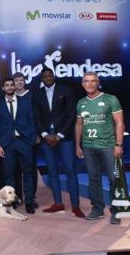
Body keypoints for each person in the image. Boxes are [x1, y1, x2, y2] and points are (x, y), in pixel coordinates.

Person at [32, 68, 83, 218]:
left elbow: (71, 114)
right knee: (52, 171)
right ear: (41, 79)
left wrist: (59, 135)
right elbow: (37, 117)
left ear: (53, 76)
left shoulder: (66, 90)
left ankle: (75, 206)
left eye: (50, 75)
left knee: (70, 170)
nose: (47, 77)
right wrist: (45, 135)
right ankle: (58, 203)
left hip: (65, 138)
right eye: (44, 76)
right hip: (46, 139)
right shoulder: (37, 94)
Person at [75, 72, 125, 224]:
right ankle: (97, 209)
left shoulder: (111, 99)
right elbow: (79, 124)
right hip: (89, 147)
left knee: (114, 179)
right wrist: (78, 145)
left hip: (108, 146)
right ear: (82, 84)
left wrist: (118, 144)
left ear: (98, 82)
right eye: (86, 81)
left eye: (93, 81)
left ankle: (116, 211)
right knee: (93, 178)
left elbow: (120, 123)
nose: (89, 84)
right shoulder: (81, 102)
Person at [0, 78, 37, 215]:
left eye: (12, 85)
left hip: (24, 141)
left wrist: (31, 139)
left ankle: (29, 202)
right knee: (9, 174)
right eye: (7, 85)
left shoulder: (25, 102)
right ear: (3, 88)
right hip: (7, 144)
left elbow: (32, 121)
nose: (10, 87)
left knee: (28, 172)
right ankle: (13, 202)